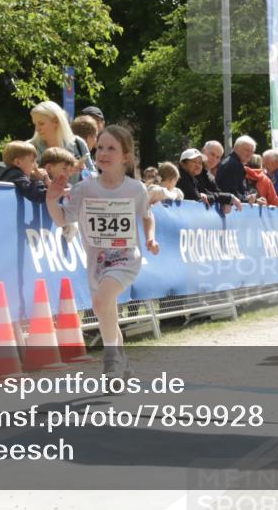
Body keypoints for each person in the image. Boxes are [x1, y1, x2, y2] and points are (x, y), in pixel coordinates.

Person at [46, 126, 158, 380]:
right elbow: (64, 219)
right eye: (100, 148)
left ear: (126, 156)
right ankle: (122, 360)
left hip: (126, 258)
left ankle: (110, 362)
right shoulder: (84, 189)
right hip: (97, 262)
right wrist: (52, 200)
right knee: (106, 311)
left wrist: (150, 238)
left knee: (100, 302)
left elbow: (147, 217)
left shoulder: (135, 189)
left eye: (112, 148)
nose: (104, 153)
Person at [30, 101, 92, 184]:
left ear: (56, 122)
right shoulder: (29, 148)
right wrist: (32, 175)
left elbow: (95, 178)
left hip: (76, 196)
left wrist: (84, 170)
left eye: (41, 123)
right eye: (35, 124)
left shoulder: (78, 143)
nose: (37, 129)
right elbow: (13, 176)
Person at [176, 148, 241, 212]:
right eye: (194, 162)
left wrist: (228, 198)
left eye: (200, 162)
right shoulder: (181, 177)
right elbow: (196, 197)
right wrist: (228, 198)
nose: (198, 165)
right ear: (183, 164)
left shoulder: (193, 178)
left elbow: (207, 193)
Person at [217, 135, 258, 201]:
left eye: (252, 151)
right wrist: (247, 199)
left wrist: (252, 197)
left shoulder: (236, 163)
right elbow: (230, 193)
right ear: (236, 148)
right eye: (247, 150)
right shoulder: (232, 164)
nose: (250, 154)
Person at [70, 114, 99, 179]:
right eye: (95, 137)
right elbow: (95, 179)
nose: (96, 140)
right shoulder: (83, 153)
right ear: (89, 138)